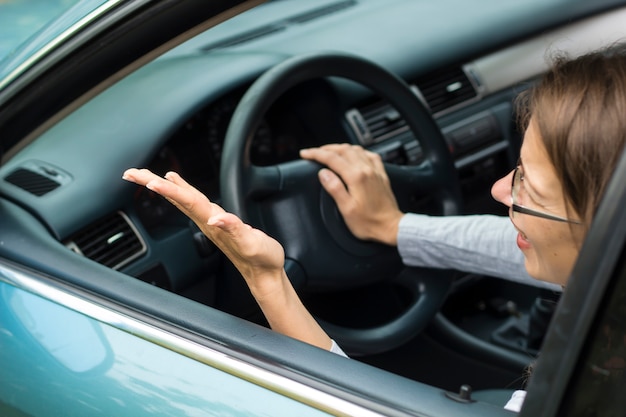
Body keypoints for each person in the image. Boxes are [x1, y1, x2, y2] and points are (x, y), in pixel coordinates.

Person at [122, 43, 626, 412]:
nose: (498, 191)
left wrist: (267, 281)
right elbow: (525, 245)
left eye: (528, 187)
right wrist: (395, 227)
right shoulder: (606, 273)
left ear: (605, 223)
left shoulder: (583, 394)